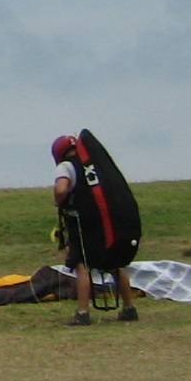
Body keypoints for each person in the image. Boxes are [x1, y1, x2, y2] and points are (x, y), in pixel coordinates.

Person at [53, 132, 140, 325]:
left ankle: (83, 313)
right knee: (115, 264)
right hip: (105, 223)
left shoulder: (66, 166)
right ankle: (129, 308)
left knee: (81, 265)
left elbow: (61, 189)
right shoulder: (93, 165)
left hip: (83, 223)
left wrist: (59, 201)